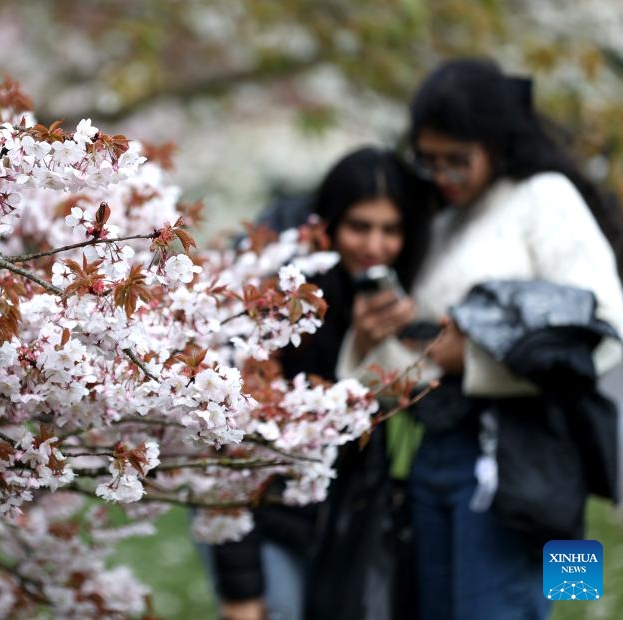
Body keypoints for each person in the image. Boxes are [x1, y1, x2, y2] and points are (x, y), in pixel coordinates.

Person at [338, 58, 623, 620]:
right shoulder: (442, 223)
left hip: (520, 456)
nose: (443, 176)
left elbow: (607, 330)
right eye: (430, 160)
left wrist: (474, 359)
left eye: (458, 161)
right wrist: (367, 348)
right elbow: (419, 366)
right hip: (433, 453)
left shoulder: (544, 197)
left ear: (496, 144)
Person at [210, 146, 431, 620]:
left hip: (337, 518)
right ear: (327, 226)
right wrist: (241, 590)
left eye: (390, 230)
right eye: (359, 227)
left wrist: (376, 350)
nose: (374, 245)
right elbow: (231, 448)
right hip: (259, 508)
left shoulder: (389, 294)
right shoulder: (277, 294)